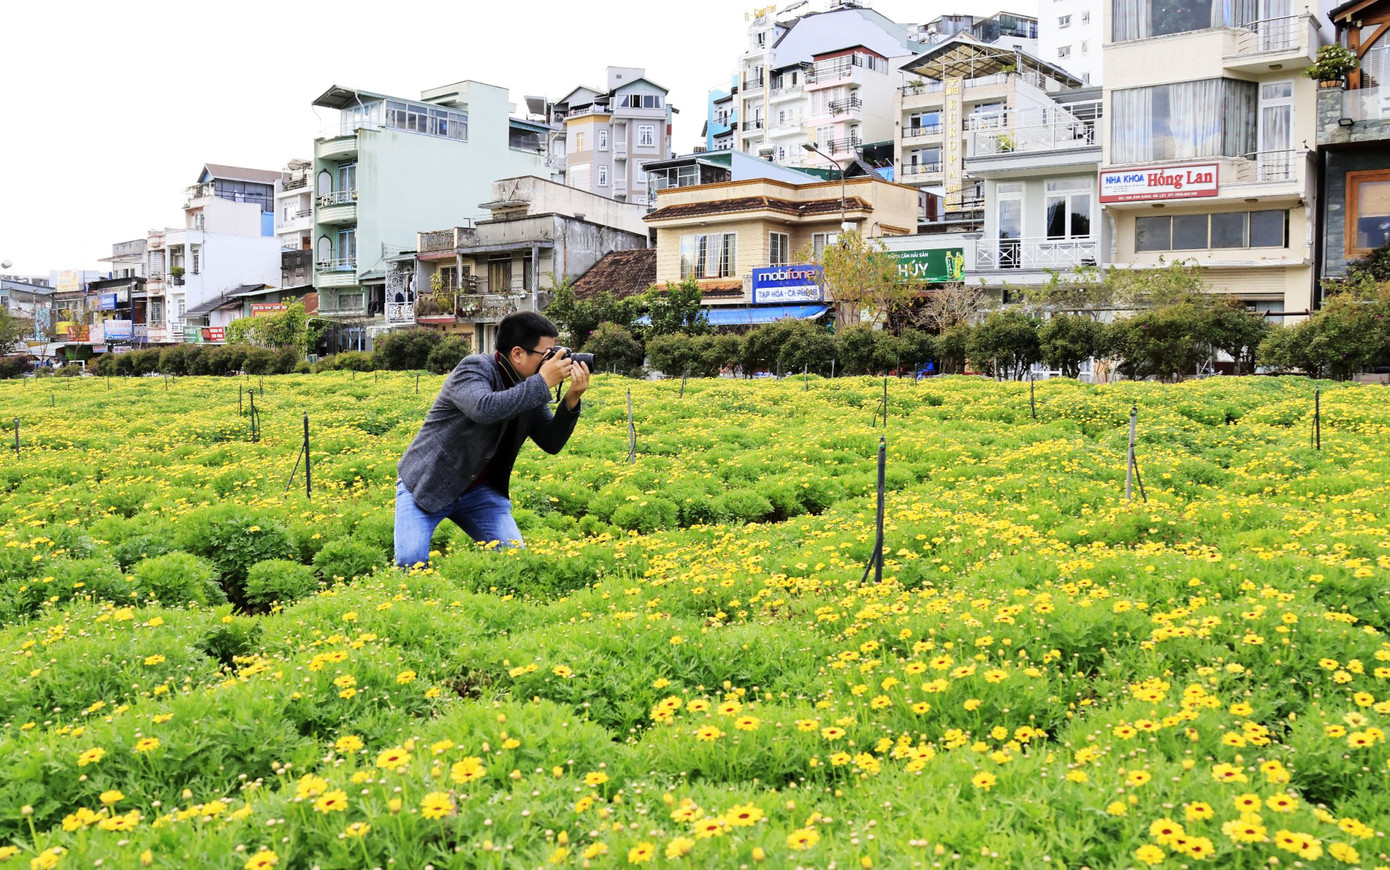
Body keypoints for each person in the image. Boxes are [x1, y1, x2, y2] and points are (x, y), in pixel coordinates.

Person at [393, 311, 589, 567]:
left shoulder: (529, 384)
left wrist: (572, 398)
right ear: (517, 353)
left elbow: (551, 442)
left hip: (480, 491)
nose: (554, 361)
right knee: (411, 561)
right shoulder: (474, 368)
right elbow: (484, 409)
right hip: (430, 482)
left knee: (514, 560)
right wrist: (542, 383)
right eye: (548, 354)